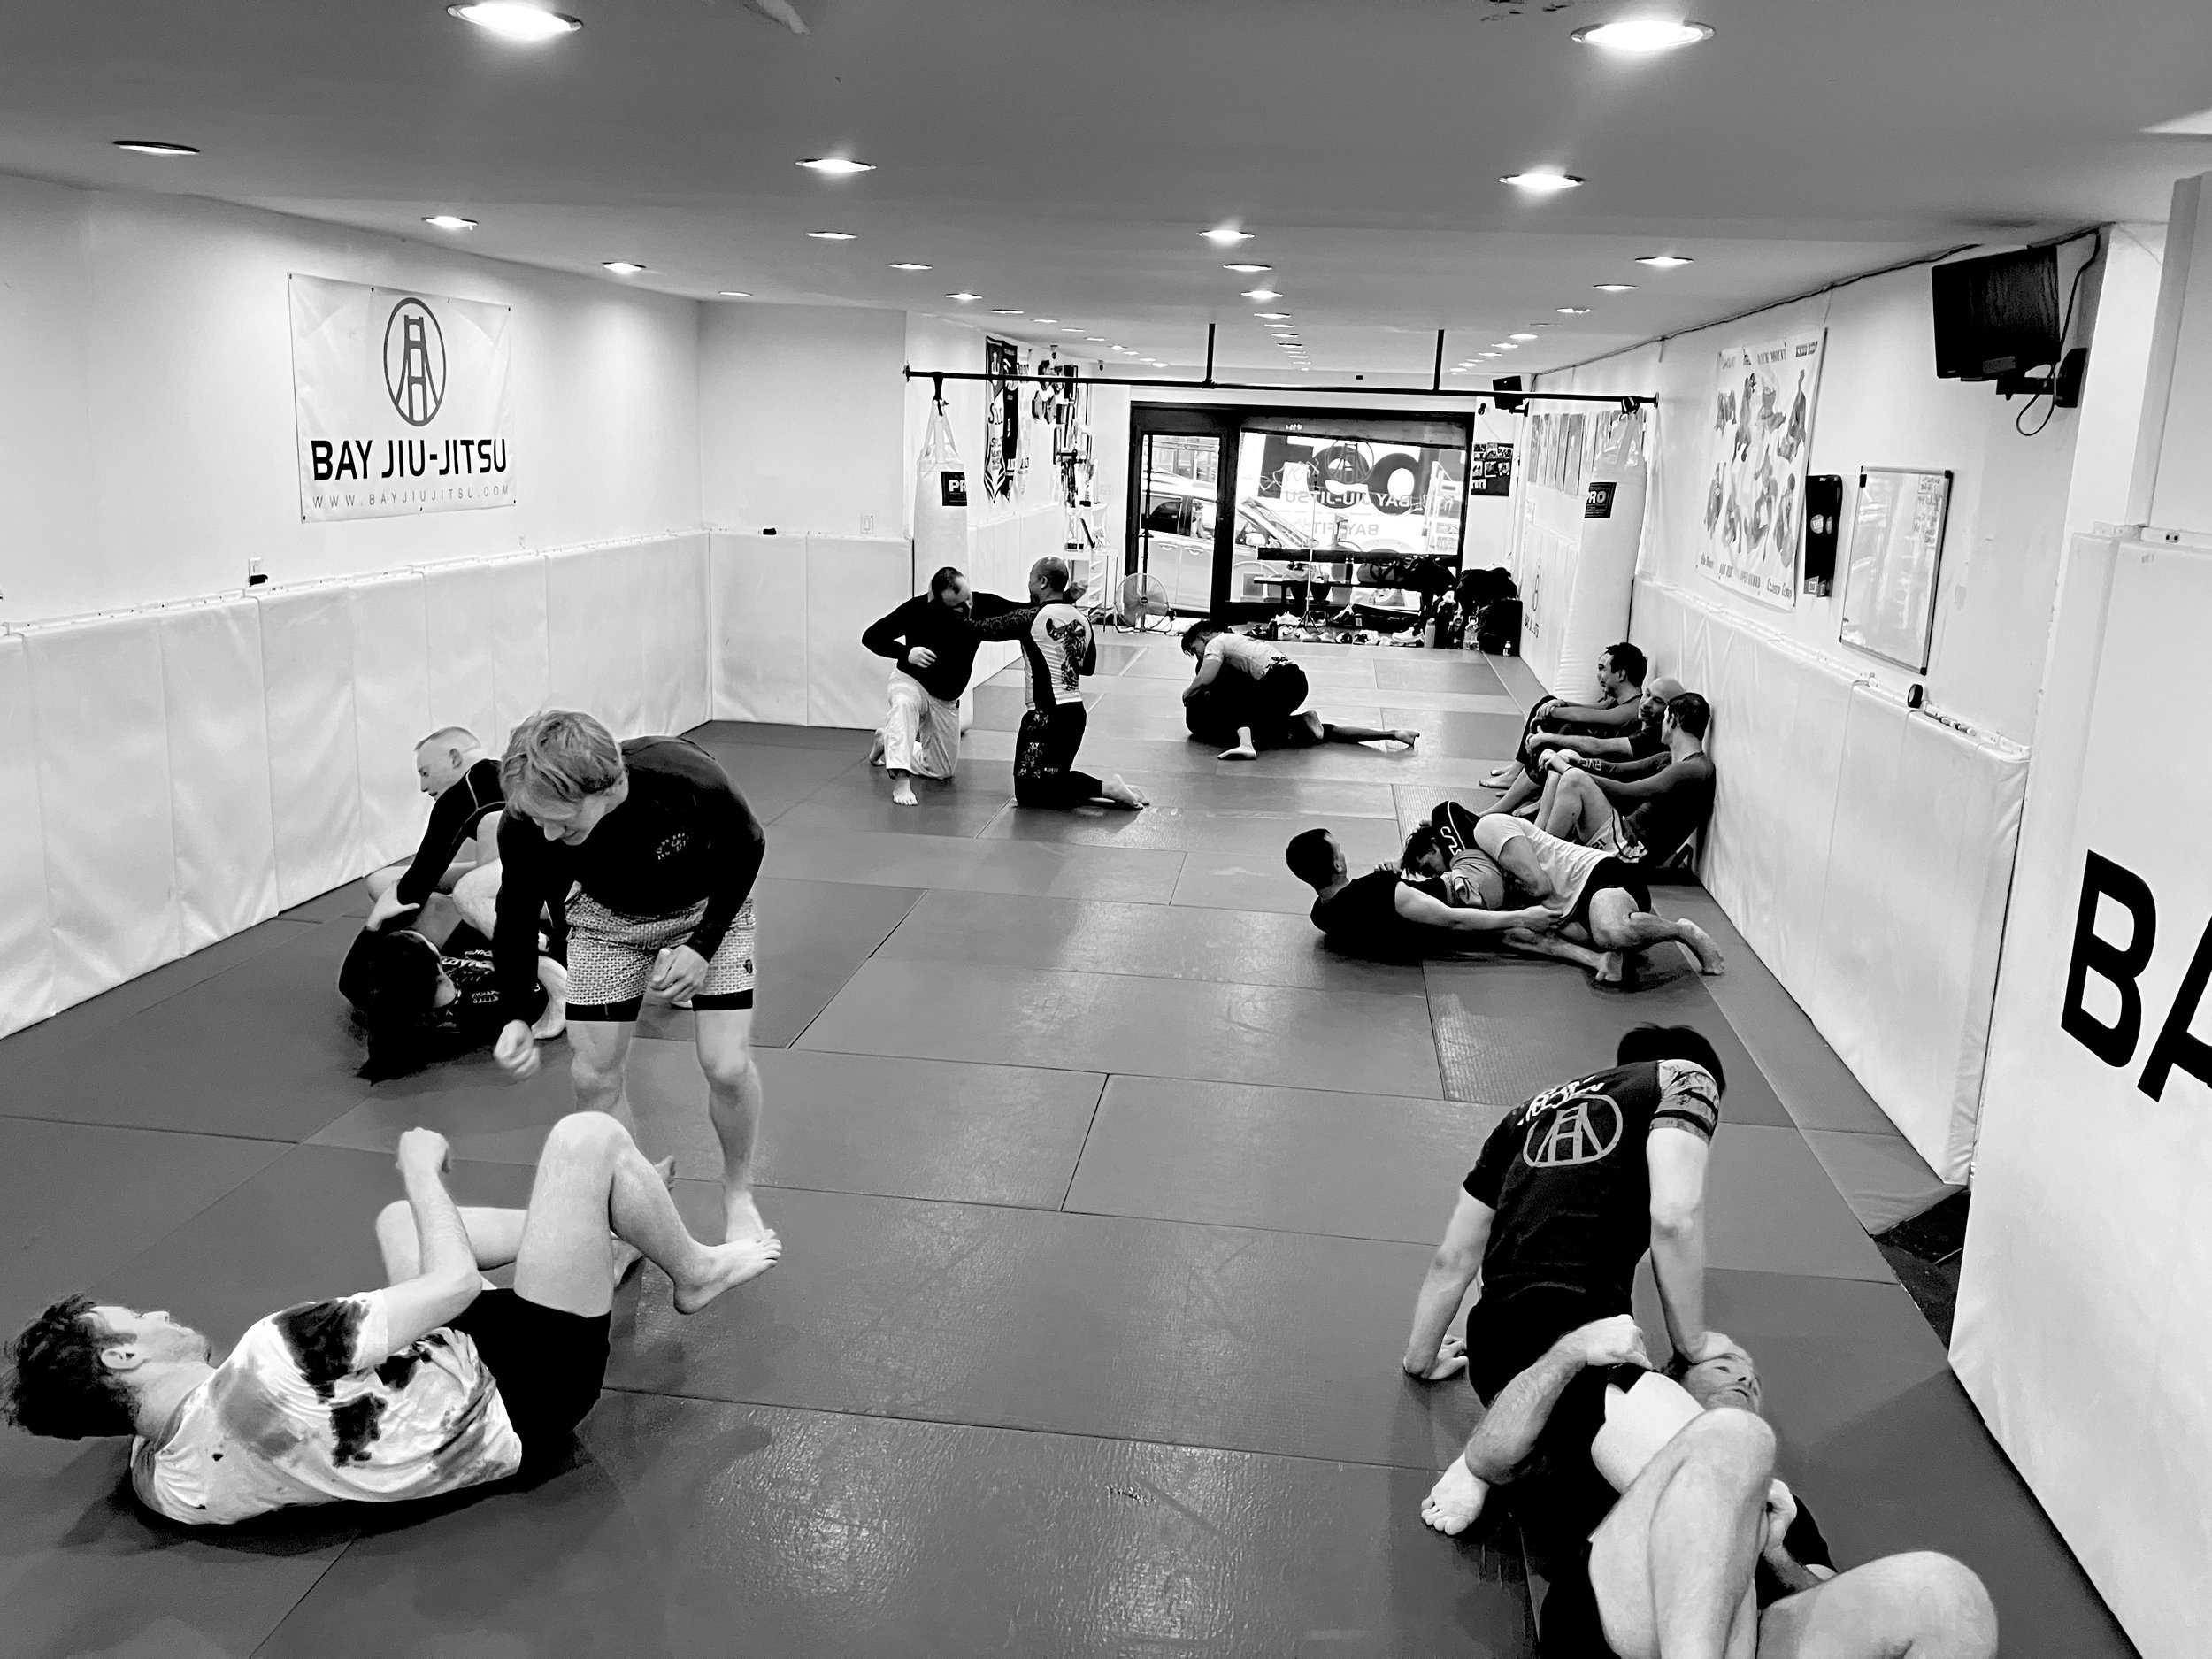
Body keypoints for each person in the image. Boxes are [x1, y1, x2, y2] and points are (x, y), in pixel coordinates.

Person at [0, 1118, 779, 1526]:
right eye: (137, 1319)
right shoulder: (271, 1354)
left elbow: (151, 1427)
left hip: (447, 1407)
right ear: (124, 1356)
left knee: (398, 1226)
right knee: (585, 1141)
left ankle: (596, 1238)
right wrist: (420, 1164)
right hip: (526, 1387)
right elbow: (455, 1284)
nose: (159, 1311)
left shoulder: (163, 1483)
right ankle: (691, 1268)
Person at [1410, 1320, 1998, 1659]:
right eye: (1723, 1365)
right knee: (1735, 1440)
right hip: (1626, 1617)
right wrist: (1570, 1351)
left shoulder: (1784, 1504)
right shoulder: (1615, 1404)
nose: (1744, 1375)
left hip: (1757, 1636)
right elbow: (1489, 1454)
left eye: (1753, 1379)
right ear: (1674, 1379)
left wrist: (1777, 1554)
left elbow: (1823, 1593)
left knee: (1948, 1592)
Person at [1400, 1024, 1735, 1609]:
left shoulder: (1525, 1113)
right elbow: (1674, 1216)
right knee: (1721, 1511)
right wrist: (1694, 1344)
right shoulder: (1688, 1077)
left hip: (1496, 1352)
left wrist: (1420, 1358)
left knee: (1594, 1485)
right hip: (1582, 1346)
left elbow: (1453, 1258)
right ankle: (1493, 1459)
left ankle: (1515, 1451)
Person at [488, 712, 774, 1250]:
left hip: (709, 908)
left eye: (562, 821)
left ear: (606, 787)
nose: (549, 834)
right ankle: (640, 1211)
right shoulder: (527, 821)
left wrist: (702, 947)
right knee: (594, 1078)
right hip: (605, 920)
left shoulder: (682, 776)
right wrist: (514, 1012)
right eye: (539, 820)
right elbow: (517, 911)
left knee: (727, 1066)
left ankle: (738, 1192)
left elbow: (748, 845)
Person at [1286, 826, 1620, 977]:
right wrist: (1522, 916)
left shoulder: (1322, 915)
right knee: (1472, 829)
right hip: (1466, 889)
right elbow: (1453, 917)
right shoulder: (1376, 889)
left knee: (1513, 935)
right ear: (1337, 865)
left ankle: (1597, 959)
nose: (1344, 852)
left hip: (1443, 935)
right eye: (1339, 850)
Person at [965, 557, 1148, 810]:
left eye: (1031, 578)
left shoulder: (1030, 618)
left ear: (1042, 582)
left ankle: (1107, 788)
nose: (1028, 583)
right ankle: (1110, 790)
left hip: (1044, 718)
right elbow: (1088, 667)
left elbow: (980, 629)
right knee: (1050, 781)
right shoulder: (1082, 620)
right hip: (1074, 716)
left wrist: (945, 613)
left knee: (1028, 794)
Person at [339, 889, 567, 1080]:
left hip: (478, 946)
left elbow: (349, 983)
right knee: (469, 894)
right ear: (438, 969)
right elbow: (536, 985)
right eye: (419, 939)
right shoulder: (481, 1003)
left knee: (383, 885)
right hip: (549, 944)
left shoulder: (396, 1000)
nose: (417, 934)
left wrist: (373, 924)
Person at [1475, 813, 1725, 977]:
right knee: (1510, 931)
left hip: (1597, 875)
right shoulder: (1481, 878)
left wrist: (1520, 908)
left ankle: (1682, 931)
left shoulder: (1487, 827)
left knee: (1611, 931)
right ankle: (1600, 959)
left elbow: (1540, 886)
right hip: (1570, 912)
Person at [861, 565, 1021, 806]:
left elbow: (1023, 612)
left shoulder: (981, 605)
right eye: (957, 605)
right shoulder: (917, 609)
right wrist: (906, 653)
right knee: (904, 704)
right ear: (937, 601)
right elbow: (871, 636)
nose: (967, 607)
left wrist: (1067, 598)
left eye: (968, 599)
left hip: (945, 698)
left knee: (940, 771)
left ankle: (887, 740)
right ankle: (901, 781)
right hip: (912, 681)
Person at [1179, 619, 1417, 760]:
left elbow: (1205, 678)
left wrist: (1187, 694)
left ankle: (1246, 745)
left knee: (1237, 701)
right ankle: (1394, 734)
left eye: (1195, 649)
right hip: (1295, 680)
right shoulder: (1237, 640)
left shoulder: (1216, 643)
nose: (1198, 655)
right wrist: (1390, 734)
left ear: (1203, 636)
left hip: (1279, 680)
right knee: (1324, 731)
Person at [1538, 693, 1717, 869]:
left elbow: (1626, 792)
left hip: (1633, 854)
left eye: (1664, 718)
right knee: (1566, 759)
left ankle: (1542, 862)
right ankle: (1537, 841)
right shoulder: (1668, 759)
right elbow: (1615, 769)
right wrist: (1574, 762)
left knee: (1574, 778)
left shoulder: (1694, 769)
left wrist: (1567, 768)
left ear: (1672, 720)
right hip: (1623, 835)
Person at [365, 728, 504, 927]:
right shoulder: (506, 774)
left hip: (519, 898)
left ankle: (470, 930)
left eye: (426, 773)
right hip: (538, 884)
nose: (423, 786)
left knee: (382, 885)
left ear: (454, 758)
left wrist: (374, 926)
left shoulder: (459, 797)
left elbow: (415, 889)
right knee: (383, 879)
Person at [1487, 643, 1649, 813]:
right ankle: (1520, 777)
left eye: (1604, 669)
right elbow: (1592, 709)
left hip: (1603, 768)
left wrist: (1552, 712)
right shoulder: (1617, 700)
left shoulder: (1633, 708)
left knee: (1562, 731)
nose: (1600, 675)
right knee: (1548, 705)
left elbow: (1590, 717)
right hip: (1595, 758)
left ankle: (1521, 798)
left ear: (1621, 674)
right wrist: (1559, 703)